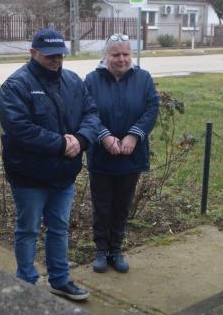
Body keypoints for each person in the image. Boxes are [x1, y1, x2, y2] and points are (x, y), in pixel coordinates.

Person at [0, 28, 102, 301]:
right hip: (29, 175)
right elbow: (19, 129)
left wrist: (80, 139)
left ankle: (59, 279)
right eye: (49, 56)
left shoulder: (73, 81)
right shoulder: (16, 85)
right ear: (33, 53)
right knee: (28, 229)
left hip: (64, 174)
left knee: (59, 228)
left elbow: (91, 114)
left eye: (60, 56)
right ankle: (27, 283)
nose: (56, 61)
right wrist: (61, 144)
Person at [84, 34, 160, 273]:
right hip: (101, 156)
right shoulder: (92, 80)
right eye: (116, 54)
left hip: (131, 156)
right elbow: (88, 112)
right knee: (102, 205)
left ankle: (116, 250)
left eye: (126, 54)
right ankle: (100, 251)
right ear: (106, 56)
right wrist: (104, 136)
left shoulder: (143, 78)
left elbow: (151, 109)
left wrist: (134, 135)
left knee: (122, 206)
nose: (121, 59)